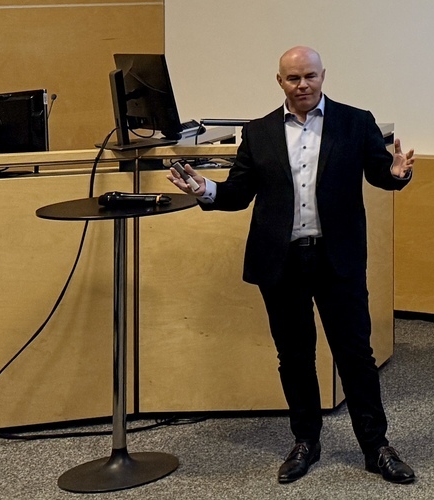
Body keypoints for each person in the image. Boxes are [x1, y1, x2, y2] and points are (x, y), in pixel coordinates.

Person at [168, 46, 416, 485]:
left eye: (310, 76)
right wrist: (205, 189)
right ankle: (305, 441)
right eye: (293, 78)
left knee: (355, 355)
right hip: (281, 261)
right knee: (295, 356)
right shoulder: (258, 131)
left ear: (323, 76)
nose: (303, 85)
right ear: (279, 81)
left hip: (336, 259)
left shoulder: (355, 122)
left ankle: (376, 446)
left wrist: (398, 173)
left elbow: (381, 173)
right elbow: (238, 194)